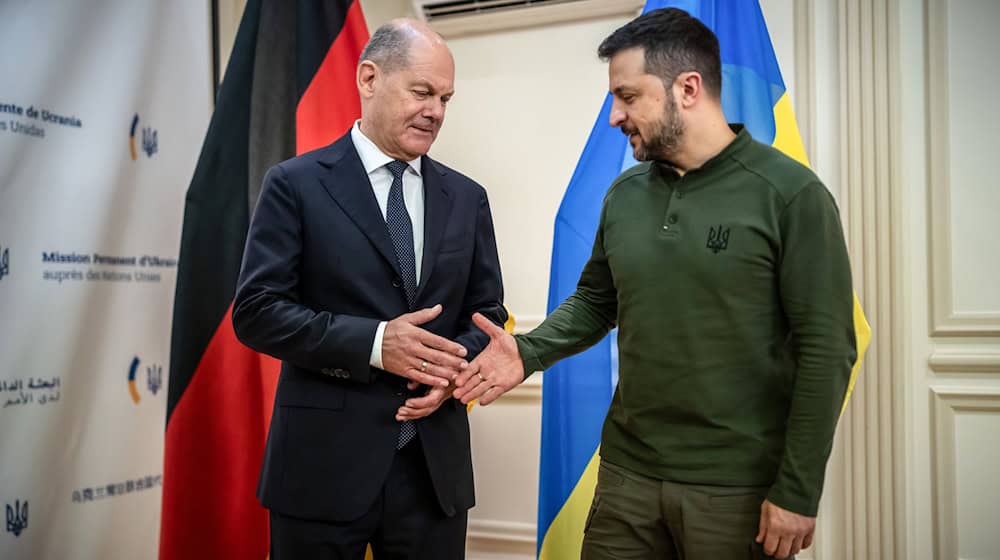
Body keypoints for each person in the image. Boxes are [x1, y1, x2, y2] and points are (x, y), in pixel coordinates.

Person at [453, 8, 857, 560]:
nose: (615, 115)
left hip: (736, 489)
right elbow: (597, 302)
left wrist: (798, 488)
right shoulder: (626, 194)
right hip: (626, 480)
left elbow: (827, 348)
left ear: (687, 88)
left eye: (628, 96)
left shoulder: (790, 195)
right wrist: (526, 353)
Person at [232, 18, 506, 559]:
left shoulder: (467, 198)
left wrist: (451, 372)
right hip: (321, 471)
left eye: (446, 98)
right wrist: (377, 344)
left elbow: (487, 312)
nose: (435, 111)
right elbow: (258, 311)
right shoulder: (295, 184)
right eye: (422, 92)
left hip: (433, 474)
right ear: (368, 78)